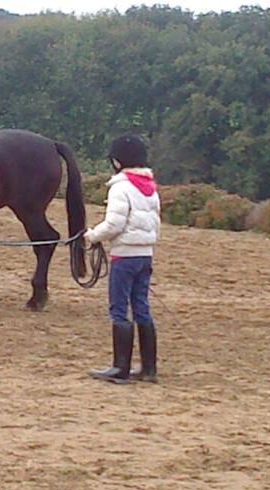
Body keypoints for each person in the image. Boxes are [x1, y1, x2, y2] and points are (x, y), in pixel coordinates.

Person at [84, 134, 161, 384]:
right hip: (145, 255)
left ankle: (121, 368)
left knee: (119, 309)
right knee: (141, 308)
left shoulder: (121, 187)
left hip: (124, 256)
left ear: (117, 162)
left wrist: (93, 236)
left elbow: (114, 224)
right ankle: (149, 368)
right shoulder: (150, 187)